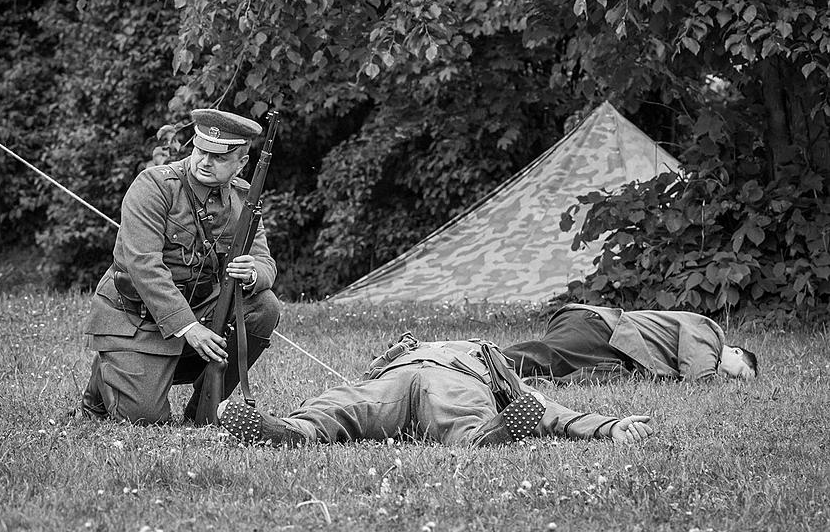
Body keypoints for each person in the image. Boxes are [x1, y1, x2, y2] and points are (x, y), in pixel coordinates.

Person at [78, 108, 280, 425]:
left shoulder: (242, 199)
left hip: (198, 309)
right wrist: (190, 328)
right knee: (144, 420)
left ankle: (203, 410)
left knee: (264, 306)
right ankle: (110, 370)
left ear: (240, 163)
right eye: (201, 150)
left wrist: (253, 272)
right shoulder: (154, 187)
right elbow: (144, 267)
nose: (204, 162)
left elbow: (265, 260)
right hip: (138, 318)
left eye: (218, 157)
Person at [216, 334, 653, 447]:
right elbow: (368, 377)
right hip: (394, 381)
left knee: (458, 419)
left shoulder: (489, 361)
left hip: (455, 384)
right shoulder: (403, 352)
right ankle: (290, 431)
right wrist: (395, 355)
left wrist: (608, 426)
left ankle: (491, 435)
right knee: (344, 403)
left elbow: (550, 408)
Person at [503, 303, 758, 385]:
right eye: (739, 374)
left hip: (615, 349)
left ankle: (507, 378)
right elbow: (697, 376)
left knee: (560, 372)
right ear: (736, 351)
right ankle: (478, 359)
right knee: (547, 357)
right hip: (599, 327)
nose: (731, 379)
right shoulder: (709, 333)